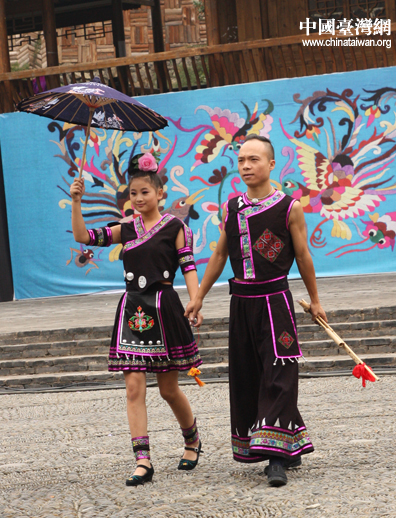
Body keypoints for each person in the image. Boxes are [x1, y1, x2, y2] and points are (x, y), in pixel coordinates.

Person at [185, 134, 327, 487]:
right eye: (241, 160)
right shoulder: (232, 207)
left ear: (271, 164)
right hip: (242, 304)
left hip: (275, 303)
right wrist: (199, 296)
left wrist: (315, 300)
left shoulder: (289, 208)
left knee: (280, 373)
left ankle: (276, 458)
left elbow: (303, 255)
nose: (246, 166)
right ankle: (287, 444)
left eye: (254, 159)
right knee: (249, 376)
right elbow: (220, 254)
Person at [70, 151, 203, 487]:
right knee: (133, 387)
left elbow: (188, 267)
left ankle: (192, 440)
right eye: (133, 193)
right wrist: (76, 202)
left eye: (145, 192)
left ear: (160, 193)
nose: (139, 198)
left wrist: (196, 300)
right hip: (133, 311)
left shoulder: (176, 228)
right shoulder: (126, 228)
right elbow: (84, 237)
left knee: (168, 390)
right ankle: (142, 460)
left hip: (164, 307)